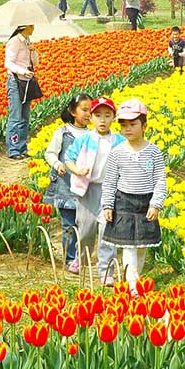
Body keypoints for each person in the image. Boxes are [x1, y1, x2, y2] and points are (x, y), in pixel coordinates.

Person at [101, 99, 167, 293]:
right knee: (128, 247)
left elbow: (160, 180)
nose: (127, 129)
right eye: (123, 125)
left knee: (142, 246)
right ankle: (133, 286)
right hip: (124, 204)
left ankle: (136, 275)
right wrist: (107, 205)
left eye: (133, 125)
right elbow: (110, 181)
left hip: (145, 203)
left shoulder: (153, 152)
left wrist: (156, 204)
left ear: (144, 126)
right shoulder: (117, 153)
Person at [66, 97, 124, 285]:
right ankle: (80, 259)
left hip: (111, 191)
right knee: (86, 229)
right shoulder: (84, 139)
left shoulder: (120, 141)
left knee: (107, 231)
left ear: (113, 118)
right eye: (98, 115)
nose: (102, 120)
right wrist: (77, 170)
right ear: (90, 118)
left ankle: (106, 270)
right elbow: (69, 158)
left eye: (107, 115)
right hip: (87, 190)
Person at [43, 94, 92, 273]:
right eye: (84, 110)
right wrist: (57, 164)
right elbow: (50, 153)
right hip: (66, 184)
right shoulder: (62, 133)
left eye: (90, 110)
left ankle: (81, 256)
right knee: (68, 224)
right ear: (73, 111)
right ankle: (70, 258)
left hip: (87, 187)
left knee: (85, 223)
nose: (88, 114)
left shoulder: (94, 135)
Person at [4, 24, 40, 159]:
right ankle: (13, 149)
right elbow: (8, 63)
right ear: (24, 27)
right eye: (32, 25)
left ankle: (22, 147)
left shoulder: (27, 41)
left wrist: (33, 51)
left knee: (25, 117)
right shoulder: (14, 42)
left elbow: (35, 63)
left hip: (27, 82)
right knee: (15, 117)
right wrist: (22, 71)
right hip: (15, 82)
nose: (34, 27)